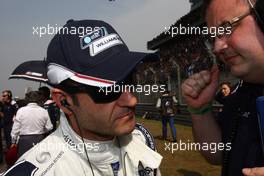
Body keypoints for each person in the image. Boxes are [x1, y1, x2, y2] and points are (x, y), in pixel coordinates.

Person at [3, 19, 162, 176]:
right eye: (108, 89)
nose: (132, 100)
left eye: (130, 79)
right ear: (64, 102)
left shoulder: (141, 138)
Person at [181, 0, 264, 175]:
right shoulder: (240, 94)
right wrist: (200, 112)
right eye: (213, 38)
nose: (217, 47)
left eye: (226, 28)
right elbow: (218, 154)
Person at [10, 91, 53, 157]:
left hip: (24, 141)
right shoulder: (43, 111)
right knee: (39, 160)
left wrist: (13, 142)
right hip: (39, 139)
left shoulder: (21, 111)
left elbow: (15, 129)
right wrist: (42, 130)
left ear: (27, 99)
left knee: (24, 161)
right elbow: (49, 127)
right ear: (38, 99)